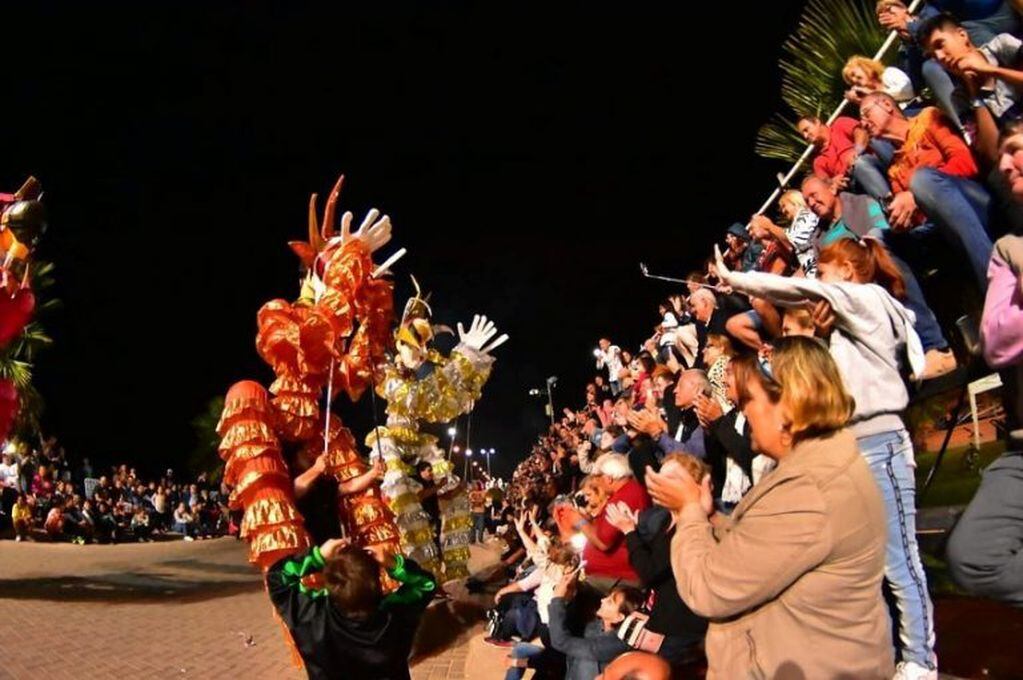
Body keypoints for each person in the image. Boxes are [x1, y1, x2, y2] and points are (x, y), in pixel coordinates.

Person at [715, 244, 939, 678]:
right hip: (852, 447)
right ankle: (895, 651)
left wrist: (735, 277)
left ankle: (920, 661)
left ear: (850, 270)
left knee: (899, 561)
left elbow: (794, 288)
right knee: (869, 564)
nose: (816, 278)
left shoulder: (871, 298)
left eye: (823, 269)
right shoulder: (842, 327)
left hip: (879, 445)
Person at [645, 336, 894, 679]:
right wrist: (712, 517)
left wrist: (688, 511)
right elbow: (769, 544)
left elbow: (708, 588)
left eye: (750, 399)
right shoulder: (813, 468)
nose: (744, 409)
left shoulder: (807, 490)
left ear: (787, 406)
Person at [946, 234, 1023, 606]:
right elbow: (995, 341)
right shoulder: (1008, 248)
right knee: (974, 558)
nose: (1006, 170)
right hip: (1020, 449)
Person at [858, 92, 994, 292]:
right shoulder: (894, 169)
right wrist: (901, 221)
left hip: (974, 201)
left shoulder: (928, 118)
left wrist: (918, 194)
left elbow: (967, 164)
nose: (864, 122)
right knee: (878, 237)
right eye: (861, 119)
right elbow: (915, 216)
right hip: (939, 228)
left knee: (922, 180)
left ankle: (996, 281)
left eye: (867, 113)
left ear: (887, 104)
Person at [267, 537, 436, 680]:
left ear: (330, 582)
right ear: (376, 582)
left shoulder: (311, 614)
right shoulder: (395, 614)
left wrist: (317, 556)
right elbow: (426, 584)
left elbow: (277, 576)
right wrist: (392, 563)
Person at [606, 456, 708, 666]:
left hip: (681, 631)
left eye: (669, 479)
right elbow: (658, 558)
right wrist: (635, 531)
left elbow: (650, 571)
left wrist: (629, 531)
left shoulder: (689, 525)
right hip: (665, 622)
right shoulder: (667, 519)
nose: (658, 484)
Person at [566, 453, 650, 592]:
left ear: (608, 478)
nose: (596, 483)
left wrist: (579, 521)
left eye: (597, 478)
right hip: (613, 575)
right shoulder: (626, 491)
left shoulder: (624, 496)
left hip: (623, 578)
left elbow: (603, 543)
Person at [843, 54, 916, 105]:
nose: (854, 80)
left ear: (865, 67)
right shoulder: (868, 96)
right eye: (851, 81)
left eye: (853, 74)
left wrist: (875, 93)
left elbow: (907, 91)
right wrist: (861, 101)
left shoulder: (889, 73)